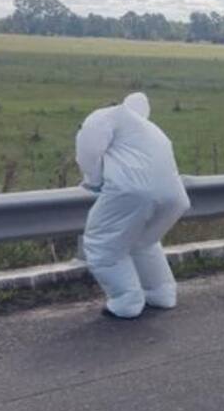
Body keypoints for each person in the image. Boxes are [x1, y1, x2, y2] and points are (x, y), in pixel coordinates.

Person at [76, 92, 191, 319]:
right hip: (175, 197)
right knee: (144, 243)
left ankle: (126, 302)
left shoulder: (103, 117)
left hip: (132, 191)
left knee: (103, 245)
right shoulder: (151, 129)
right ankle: (162, 294)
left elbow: (88, 149)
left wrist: (94, 180)